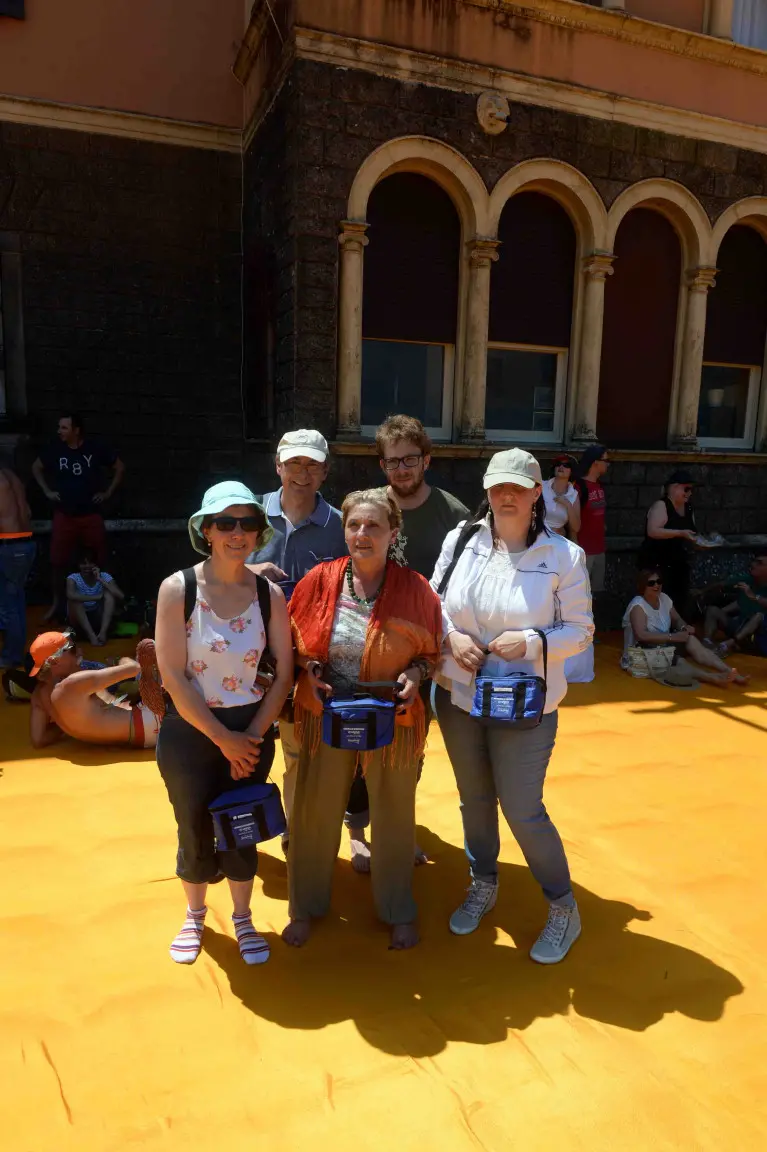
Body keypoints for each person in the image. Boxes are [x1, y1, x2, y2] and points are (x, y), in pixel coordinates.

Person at [431, 448, 593, 965]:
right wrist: (451, 637)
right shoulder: (461, 540)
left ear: (535, 493)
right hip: (459, 694)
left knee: (522, 809)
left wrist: (531, 641)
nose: (506, 496)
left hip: (526, 704)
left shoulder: (564, 556)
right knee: (474, 800)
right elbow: (431, 603)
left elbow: (581, 631)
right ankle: (484, 882)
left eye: (517, 488)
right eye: (498, 486)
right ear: (486, 489)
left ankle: (563, 905)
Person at [282, 488, 442, 952]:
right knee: (313, 814)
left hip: (393, 717)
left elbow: (432, 653)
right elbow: (290, 646)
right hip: (325, 714)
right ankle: (304, 907)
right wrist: (305, 673)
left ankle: (398, 910)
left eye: (373, 525)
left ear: (393, 533)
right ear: (344, 530)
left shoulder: (417, 589)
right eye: (354, 525)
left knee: (394, 816)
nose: (362, 534)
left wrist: (416, 674)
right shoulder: (318, 580)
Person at [152, 482, 294, 966]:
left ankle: (241, 916)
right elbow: (172, 675)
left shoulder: (268, 593)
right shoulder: (179, 589)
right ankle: (194, 916)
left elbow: (284, 670)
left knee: (242, 825)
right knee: (192, 825)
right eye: (226, 523)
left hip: (251, 728)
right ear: (206, 530)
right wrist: (223, 738)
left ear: (259, 531)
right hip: (193, 729)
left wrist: (250, 737)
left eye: (248, 522)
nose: (238, 532)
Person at [339, 414, 469, 869]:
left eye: (410, 460)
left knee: (410, 744)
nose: (401, 469)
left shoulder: (454, 514)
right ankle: (357, 831)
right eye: (392, 461)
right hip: (365, 644)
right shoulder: (370, 508)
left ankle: (397, 826)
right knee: (357, 742)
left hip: (424, 649)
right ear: (382, 465)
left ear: (426, 460)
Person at [247, 429, 347, 852]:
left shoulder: (342, 525)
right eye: (293, 464)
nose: (301, 473)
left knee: (297, 752)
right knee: (243, 748)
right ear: (278, 466)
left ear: (324, 471)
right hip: (247, 660)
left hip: (308, 661)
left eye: (311, 465)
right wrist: (251, 574)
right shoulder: (245, 515)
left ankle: (296, 834)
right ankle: (237, 837)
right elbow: (210, 572)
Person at [32, 412, 125, 621]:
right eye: (59, 427)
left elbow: (119, 467)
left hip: (90, 515)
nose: (60, 431)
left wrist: (107, 493)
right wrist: (47, 491)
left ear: (76, 430)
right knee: (57, 561)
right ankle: (57, 603)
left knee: (100, 558)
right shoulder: (55, 448)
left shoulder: (95, 448)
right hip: (65, 514)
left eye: (64, 428)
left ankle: (106, 602)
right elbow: (36, 467)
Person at [28, 631, 162, 749]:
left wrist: (67, 724)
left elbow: (38, 739)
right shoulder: (73, 683)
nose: (80, 651)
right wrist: (119, 659)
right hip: (148, 721)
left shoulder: (40, 695)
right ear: (55, 661)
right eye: (73, 649)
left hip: (139, 735)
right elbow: (134, 668)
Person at [622, 570, 748, 686]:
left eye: (659, 582)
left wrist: (684, 627)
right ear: (643, 586)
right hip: (640, 654)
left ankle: (728, 670)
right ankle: (712, 677)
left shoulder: (664, 599)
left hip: (662, 646)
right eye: (651, 583)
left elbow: (677, 619)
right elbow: (641, 635)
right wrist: (673, 637)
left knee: (691, 641)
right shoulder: (638, 605)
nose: (657, 585)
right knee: (679, 661)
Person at [637, 470, 698, 617]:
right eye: (686, 489)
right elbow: (653, 531)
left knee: (679, 599)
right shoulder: (662, 505)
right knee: (658, 599)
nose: (689, 493)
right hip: (657, 562)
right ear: (674, 487)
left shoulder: (688, 508)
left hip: (679, 562)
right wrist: (680, 533)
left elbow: (693, 531)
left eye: (691, 490)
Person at [0, 463, 36, 669]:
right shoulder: (11, 475)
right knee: (16, 602)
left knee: (8, 607)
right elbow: (28, 512)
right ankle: (14, 652)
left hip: (9, 546)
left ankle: (11, 656)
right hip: (26, 544)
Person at [703, 550, 767, 656]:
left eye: (759, 563)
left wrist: (754, 596)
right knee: (712, 610)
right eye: (754, 561)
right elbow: (721, 584)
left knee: (758, 616)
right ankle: (706, 644)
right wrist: (701, 591)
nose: (753, 565)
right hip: (739, 625)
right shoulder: (747, 580)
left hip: (758, 633)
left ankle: (729, 644)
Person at [66, 549, 124, 646]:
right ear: (78, 565)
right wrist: (96, 597)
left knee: (109, 595)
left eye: (90, 563)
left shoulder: (104, 576)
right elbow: (70, 595)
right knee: (75, 601)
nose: (87, 566)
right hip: (79, 618)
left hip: (98, 616)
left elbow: (120, 595)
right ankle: (91, 636)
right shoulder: (73, 578)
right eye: (83, 563)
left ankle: (102, 633)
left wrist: (100, 579)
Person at [576, 444, 609, 598]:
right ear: (595, 462)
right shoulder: (579, 487)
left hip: (599, 549)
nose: (608, 464)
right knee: (580, 594)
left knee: (596, 594)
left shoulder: (599, 486)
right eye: (605, 460)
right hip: (583, 551)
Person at [542, 455, 581, 540]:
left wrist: (568, 505)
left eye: (566, 465)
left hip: (558, 541)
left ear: (572, 471)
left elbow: (576, 528)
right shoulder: (541, 486)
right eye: (558, 464)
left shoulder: (574, 495)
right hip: (537, 539)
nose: (561, 467)